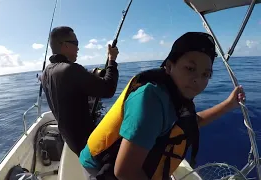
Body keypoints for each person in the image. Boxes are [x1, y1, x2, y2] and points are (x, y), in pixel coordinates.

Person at [79, 32, 246, 180]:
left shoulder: (177, 92)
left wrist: (228, 104)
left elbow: (191, 122)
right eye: (190, 68)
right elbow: (124, 172)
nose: (198, 80)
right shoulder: (150, 99)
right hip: (99, 165)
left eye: (205, 74)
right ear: (169, 66)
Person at [40, 26, 120, 157]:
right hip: (89, 143)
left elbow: (70, 89)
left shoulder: (46, 73)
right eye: (75, 43)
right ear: (65, 45)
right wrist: (112, 60)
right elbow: (108, 89)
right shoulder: (71, 69)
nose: (78, 48)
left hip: (72, 142)